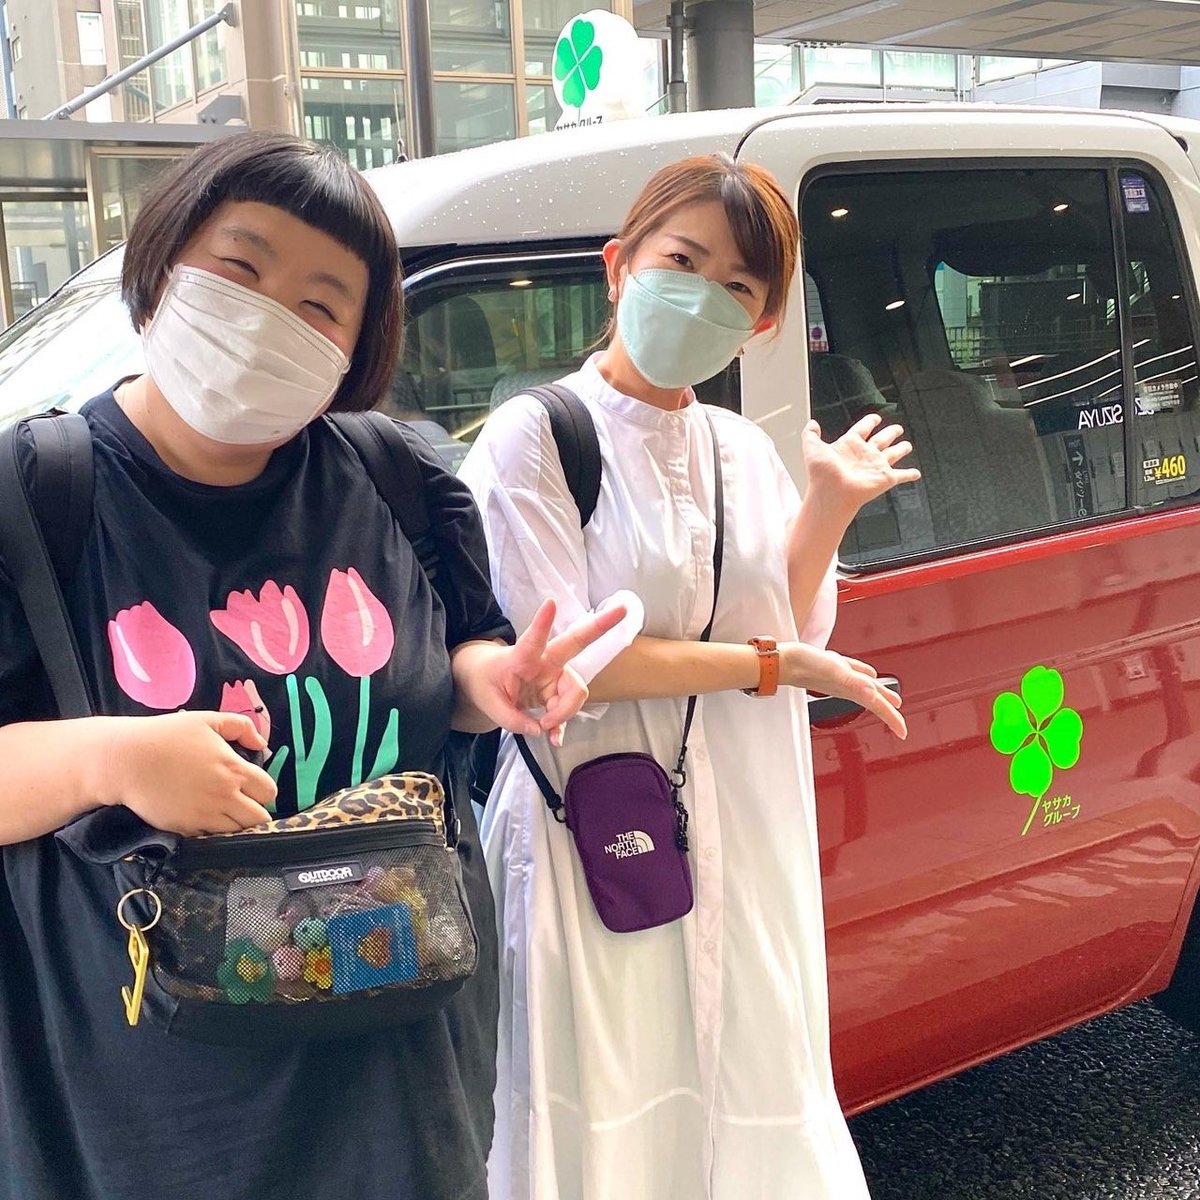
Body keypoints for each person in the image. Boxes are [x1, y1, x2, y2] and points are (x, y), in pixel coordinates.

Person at [0, 132, 620, 1200]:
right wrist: (109, 760)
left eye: (320, 304)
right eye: (239, 268)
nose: (268, 316)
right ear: (160, 263)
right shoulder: (31, 498)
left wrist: (488, 683)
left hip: (396, 1076)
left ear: (356, 344)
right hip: (143, 1107)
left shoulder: (398, 477)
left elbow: (457, 658)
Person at [459, 153, 919, 1200]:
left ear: (762, 322)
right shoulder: (538, 439)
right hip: (589, 826)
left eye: (738, 285)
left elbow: (792, 618)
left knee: (741, 1064)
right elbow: (575, 662)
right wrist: (773, 666)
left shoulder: (737, 447)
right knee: (607, 1076)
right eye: (682, 260)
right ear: (618, 265)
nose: (704, 294)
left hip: (738, 820)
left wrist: (829, 508)